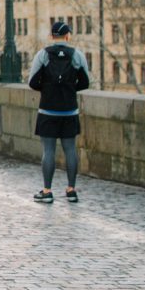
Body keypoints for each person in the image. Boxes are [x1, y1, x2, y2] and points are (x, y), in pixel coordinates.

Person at [27, 21, 91, 204]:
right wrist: (71, 89)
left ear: (51, 36)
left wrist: (47, 89)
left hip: (48, 110)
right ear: (68, 36)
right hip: (69, 110)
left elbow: (32, 82)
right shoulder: (77, 55)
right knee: (70, 149)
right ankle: (71, 190)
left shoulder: (43, 55)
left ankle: (47, 191)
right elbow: (85, 82)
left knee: (48, 150)